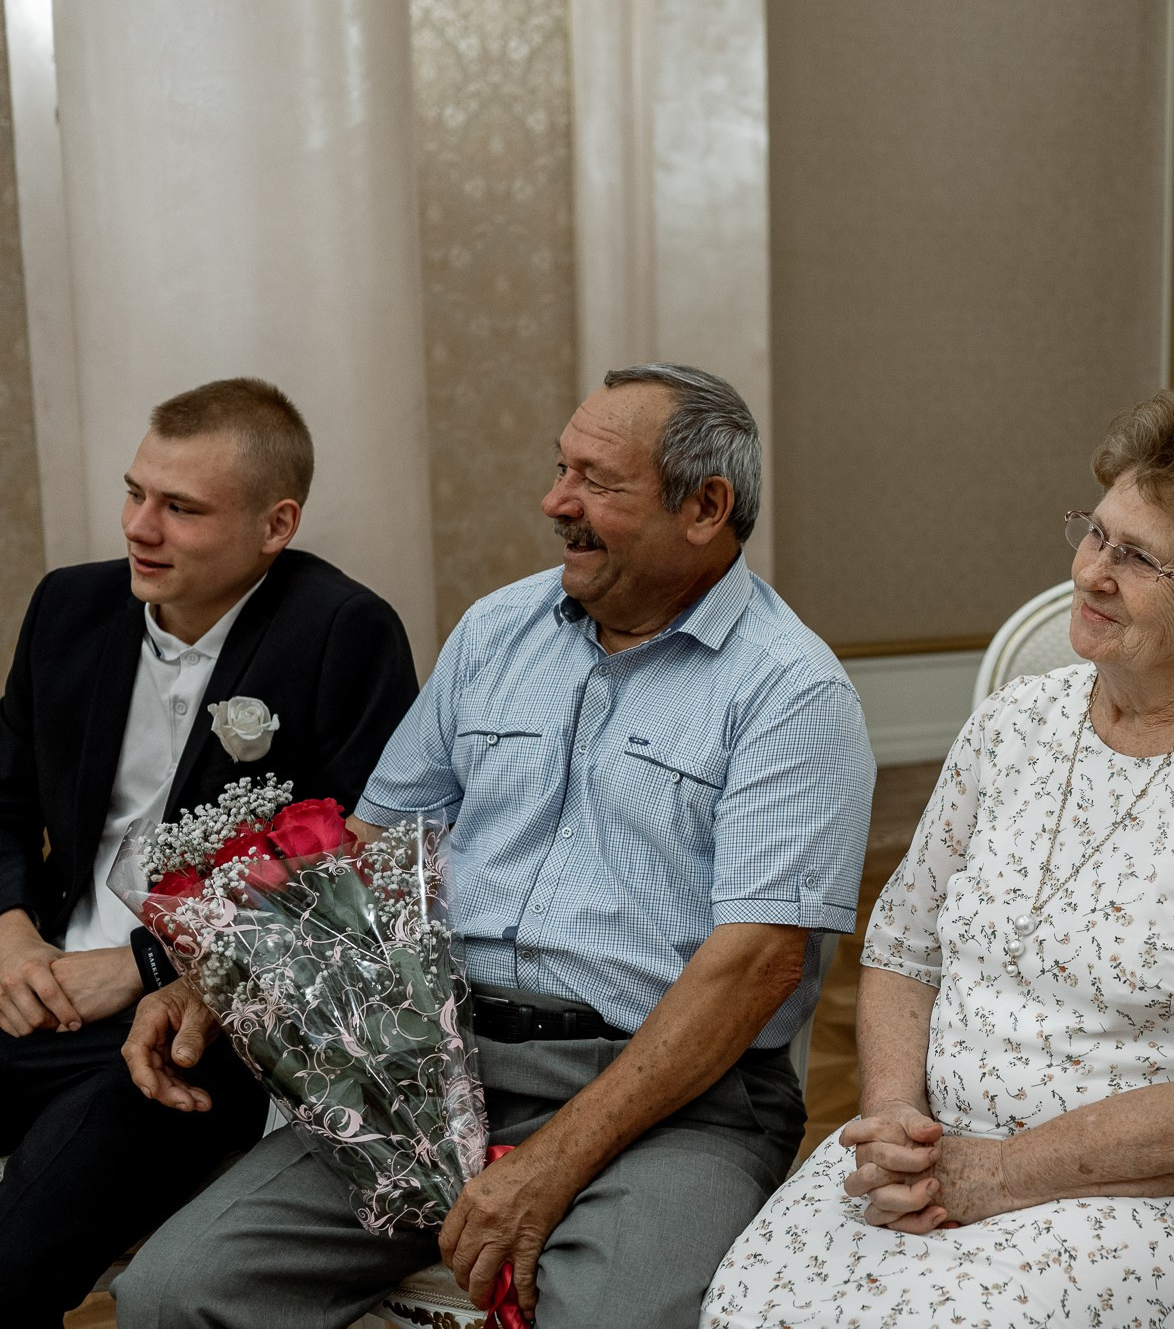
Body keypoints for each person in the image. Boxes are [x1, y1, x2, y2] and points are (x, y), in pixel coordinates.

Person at [114, 363, 874, 1329]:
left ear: (706, 507)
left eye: (598, 482)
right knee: (172, 1294)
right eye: (561, 469)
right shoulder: (498, 630)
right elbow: (365, 843)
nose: (557, 502)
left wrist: (551, 1164)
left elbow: (755, 967)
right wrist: (212, 982)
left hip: (673, 1102)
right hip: (430, 1062)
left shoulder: (788, 691)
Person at [702, 385, 1174, 1329]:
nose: (1093, 572)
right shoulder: (1017, 721)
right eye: (1097, 533)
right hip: (945, 1153)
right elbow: (903, 945)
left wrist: (998, 1176)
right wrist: (896, 1122)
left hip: (1173, 1200)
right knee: (747, 1303)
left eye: (1140, 559)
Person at [0, 378, 418, 1327]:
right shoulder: (70, 607)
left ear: (277, 525)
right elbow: (6, 798)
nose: (140, 527)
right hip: (41, 975)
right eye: (136, 492)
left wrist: (147, 963)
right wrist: (12, 931)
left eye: (181, 508)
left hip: (201, 1023)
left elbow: (354, 874)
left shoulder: (343, 633)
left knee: (32, 1216)